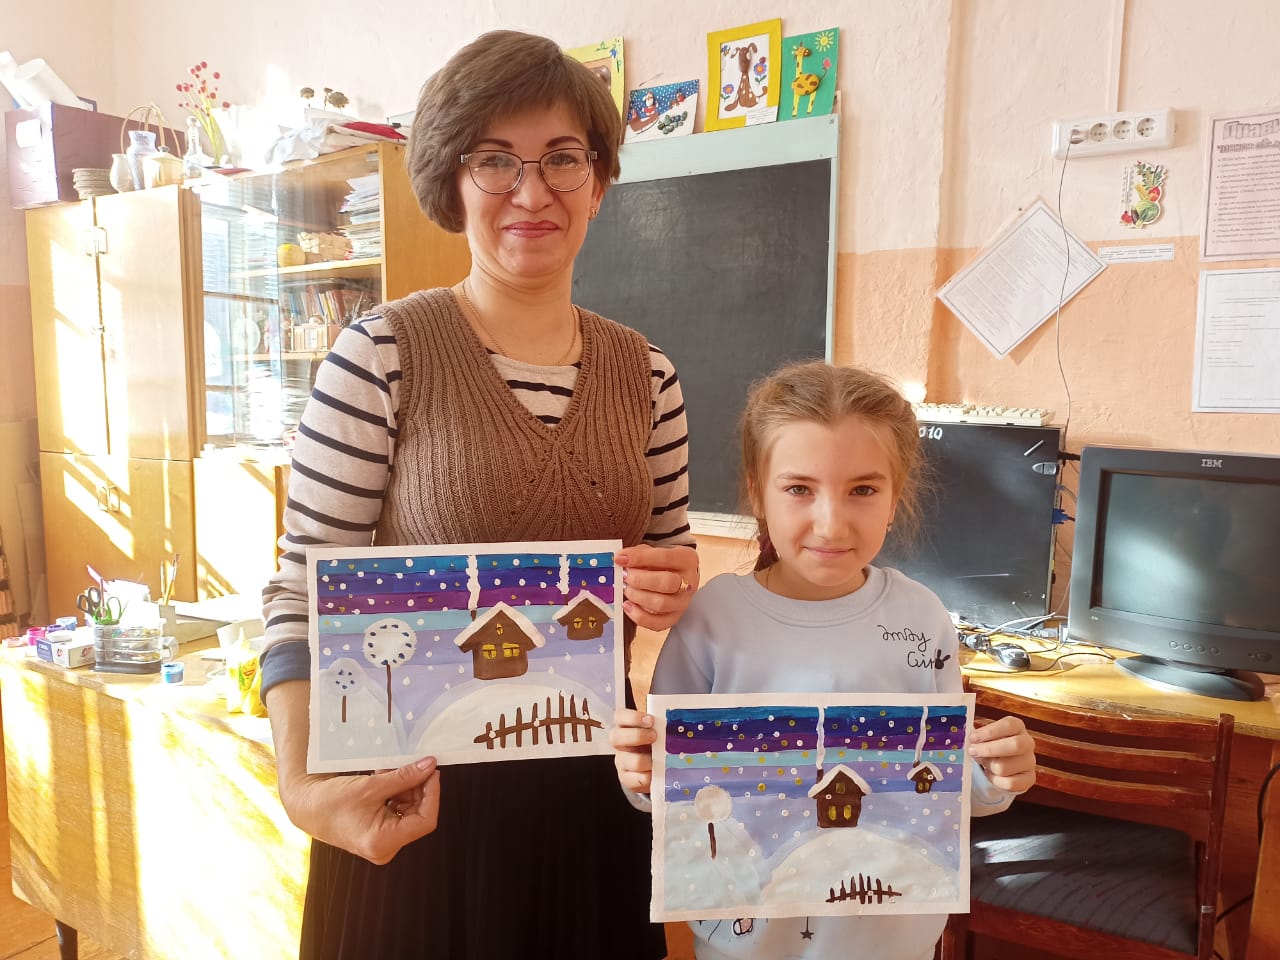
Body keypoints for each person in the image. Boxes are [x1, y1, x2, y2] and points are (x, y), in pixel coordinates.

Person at [260, 30, 700, 960]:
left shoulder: (650, 374)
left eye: (562, 159)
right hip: (414, 802)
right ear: (451, 182)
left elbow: (671, 551)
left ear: (598, 181)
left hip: (589, 797)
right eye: (495, 161)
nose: (532, 193)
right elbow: (301, 591)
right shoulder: (380, 355)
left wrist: (671, 583)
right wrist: (302, 791)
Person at [612, 360, 1037, 960]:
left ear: (895, 496)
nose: (832, 523)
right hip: (748, 947)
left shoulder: (922, 618)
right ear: (758, 493)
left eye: (863, 490)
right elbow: (669, 788)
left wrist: (995, 775)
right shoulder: (711, 621)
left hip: (894, 943)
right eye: (799, 489)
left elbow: (940, 780)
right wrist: (639, 774)